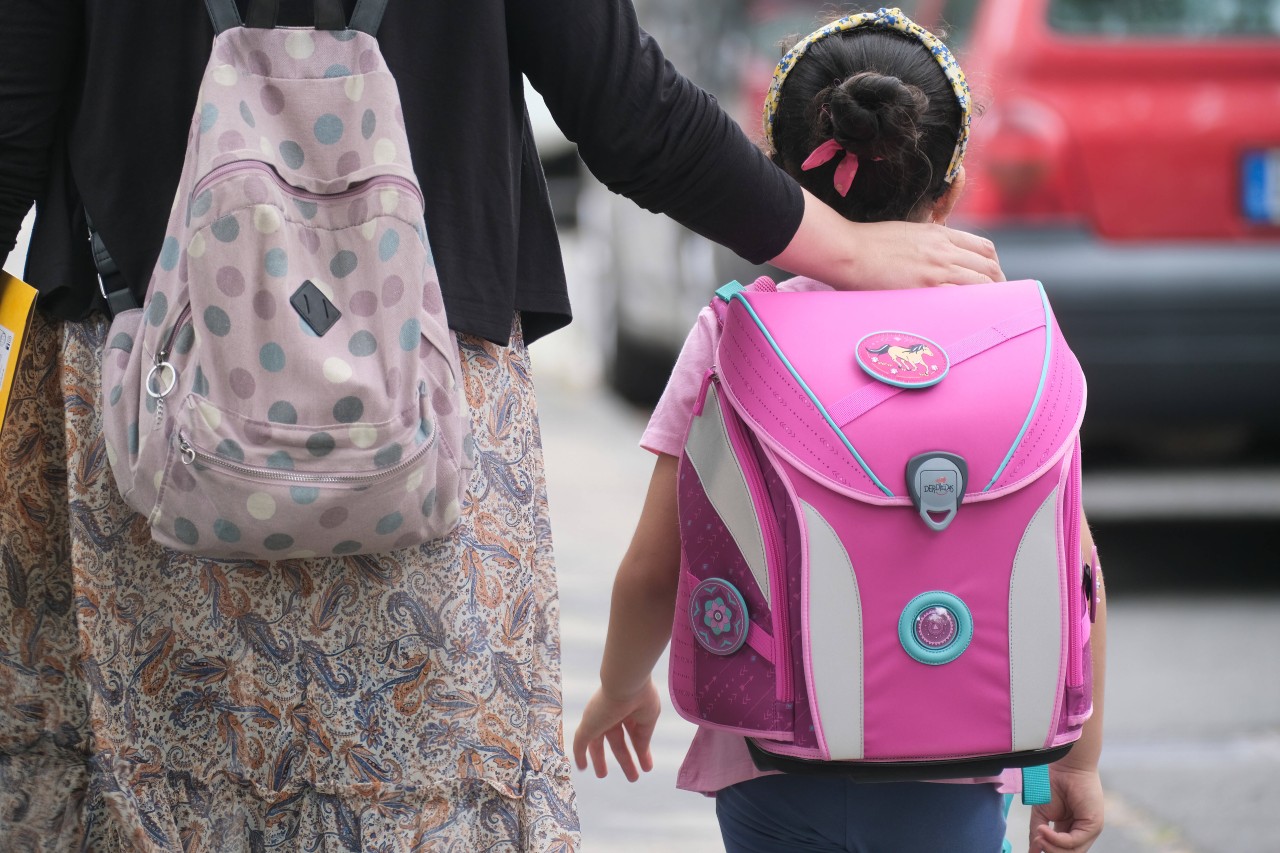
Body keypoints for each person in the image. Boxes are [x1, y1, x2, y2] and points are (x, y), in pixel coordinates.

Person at [0, 0, 1003, 849]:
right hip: (422, 396)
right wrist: (845, 250)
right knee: (425, 795)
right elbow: (627, 112)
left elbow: (13, 121)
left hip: (154, 397)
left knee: (164, 788)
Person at [572, 8, 1108, 853]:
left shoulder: (735, 333)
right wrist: (1074, 760)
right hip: (962, 759)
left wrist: (618, 684)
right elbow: (1072, 568)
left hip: (771, 754)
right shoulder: (1016, 337)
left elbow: (654, 563)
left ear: (777, 174)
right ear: (952, 184)